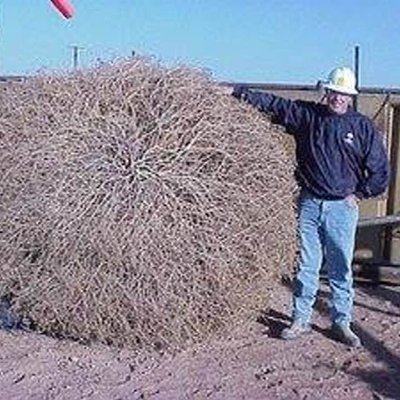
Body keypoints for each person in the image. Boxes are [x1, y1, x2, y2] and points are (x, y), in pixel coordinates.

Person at [231, 67, 390, 348]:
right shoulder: (307, 116)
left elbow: (379, 169)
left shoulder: (361, 126)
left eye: (344, 94)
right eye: (334, 92)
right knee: (306, 264)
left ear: (350, 97)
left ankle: (341, 322)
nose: (338, 98)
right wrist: (237, 93)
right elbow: (275, 104)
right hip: (309, 204)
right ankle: (300, 319)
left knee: (341, 266)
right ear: (327, 92)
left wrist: (361, 193)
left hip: (342, 207)